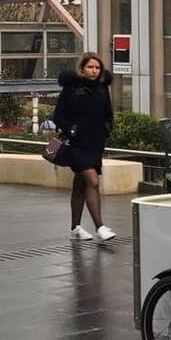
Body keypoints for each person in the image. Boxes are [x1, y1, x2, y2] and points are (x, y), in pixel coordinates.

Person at [52, 52, 117, 242]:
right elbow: (58, 116)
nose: (94, 71)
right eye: (90, 67)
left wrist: (106, 129)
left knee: (80, 186)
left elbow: (108, 115)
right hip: (76, 144)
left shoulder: (103, 89)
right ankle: (100, 226)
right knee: (93, 181)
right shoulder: (71, 89)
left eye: (97, 67)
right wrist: (72, 130)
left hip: (95, 144)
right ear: (82, 68)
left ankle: (75, 228)